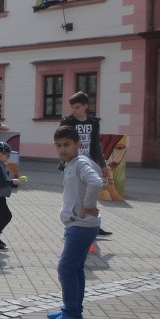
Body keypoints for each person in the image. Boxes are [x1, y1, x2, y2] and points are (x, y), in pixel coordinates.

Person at [46, 125, 104, 319]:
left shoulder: (80, 163)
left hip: (81, 225)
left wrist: (88, 206)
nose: (63, 149)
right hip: (77, 224)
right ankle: (72, 310)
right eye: (59, 145)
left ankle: (72, 316)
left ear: (78, 145)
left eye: (67, 145)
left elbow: (96, 182)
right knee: (75, 268)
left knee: (66, 268)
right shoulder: (72, 163)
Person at [59, 92, 112, 236]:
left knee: (91, 195)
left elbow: (96, 145)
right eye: (72, 107)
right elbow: (60, 141)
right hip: (72, 163)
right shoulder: (68, 122)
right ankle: (70, 226)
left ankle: (93, 224)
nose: (74, 110)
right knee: (73, 197)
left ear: (86, 106)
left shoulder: (93, 122)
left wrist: (102, 164)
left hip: (88, 162)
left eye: (77, 107)